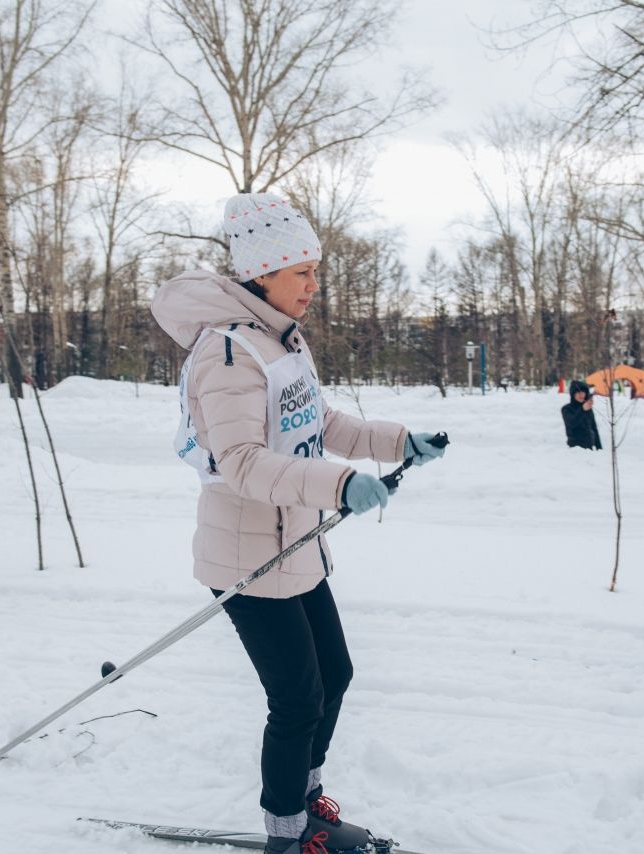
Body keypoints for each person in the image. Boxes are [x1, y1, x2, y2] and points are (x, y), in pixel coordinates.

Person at [152, 193, 447, 854]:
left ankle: (307, 802)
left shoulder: (279, 340)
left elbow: (318, 424)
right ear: (263, 273)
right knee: (295, 700)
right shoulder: (228, 353)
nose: (315, 285)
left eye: (315, 270)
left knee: (333, 676)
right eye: (302, 272)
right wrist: (341, 482)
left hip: (298, 545)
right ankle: (289, 834)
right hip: (247, 554)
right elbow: (245, 464)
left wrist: (399, 443)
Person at [561, 379, 602, 449]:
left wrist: (599, 448)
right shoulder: (566, 409)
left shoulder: (588, 408)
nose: (581, 394)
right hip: (575, 449)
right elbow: (571, 423)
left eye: (584, 392)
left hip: (589, 449)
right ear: (573, 393)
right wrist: (582, 410)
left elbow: (594, 428)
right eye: (578, 392)